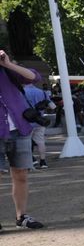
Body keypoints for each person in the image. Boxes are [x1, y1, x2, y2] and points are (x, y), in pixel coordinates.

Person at [0, 49, 45, 230]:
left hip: (20, 129)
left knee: (21, 174)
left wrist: (8, 64)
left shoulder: (7, 69)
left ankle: (22, 216)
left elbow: (34, 77)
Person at [23, 80, 52, 169]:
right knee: (40, 141)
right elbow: (52, 106)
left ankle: (31, 160)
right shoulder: (42, 92)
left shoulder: (22, 92)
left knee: (26, 142)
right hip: (40, 121)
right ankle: (43, 162)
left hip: (27, 121)